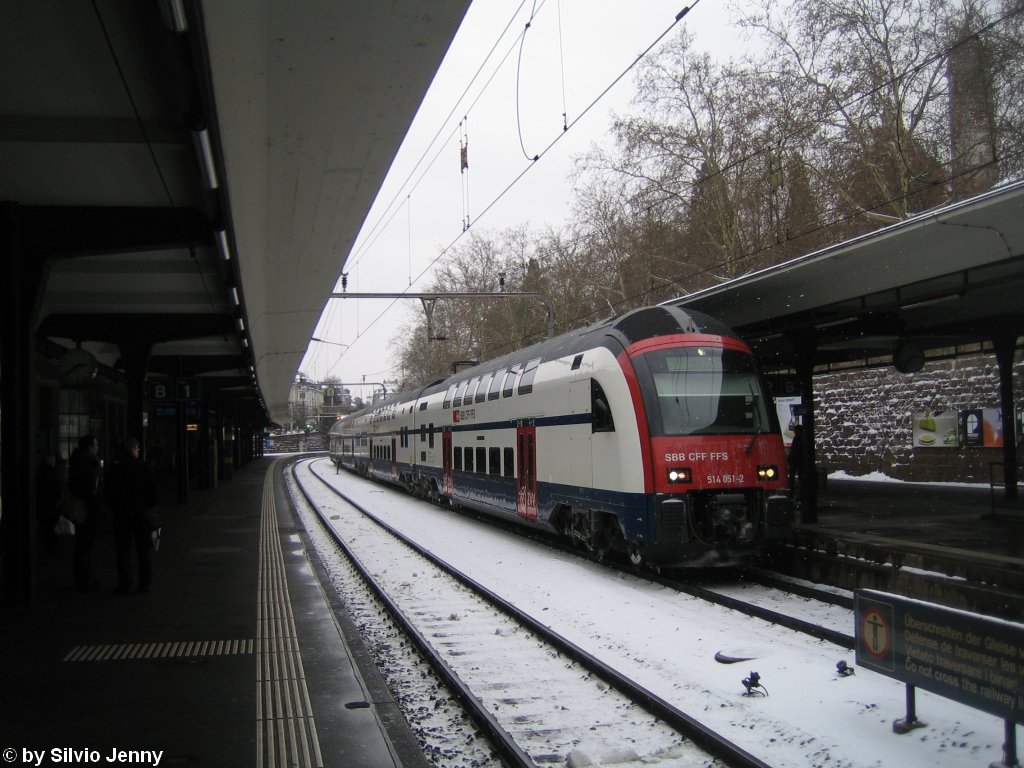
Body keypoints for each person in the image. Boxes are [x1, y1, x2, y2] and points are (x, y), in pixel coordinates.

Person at [104, 437, 160, 594]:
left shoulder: (115, 469)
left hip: (122, 516)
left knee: (123, 551)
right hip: (141, 516)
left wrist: (116, 509)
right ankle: (144, 583)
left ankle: (125, 582)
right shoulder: (144, 468)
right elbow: (155, 494)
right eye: (138, 449)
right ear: (134, 449)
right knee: (143, 551)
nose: (139, 451)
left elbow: (108, 493)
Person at [67, 434, 103, 590]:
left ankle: (83, 577)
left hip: (82, 509)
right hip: (87, 510)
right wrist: (98, 506)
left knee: (82, 545)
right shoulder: (88, 465)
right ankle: (84, 579)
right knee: (85, 545)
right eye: (96, 445)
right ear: (89, 447)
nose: (98, 448)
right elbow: (89, 491)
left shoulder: (78, 462)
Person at [36, 453, 65, 556]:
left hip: (44, 505)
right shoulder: (54, 472)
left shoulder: (40, 472)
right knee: (53, 528)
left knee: (46, 529)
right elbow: (59, 488)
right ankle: (53, 548)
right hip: (53, 505)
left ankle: (48, 548)